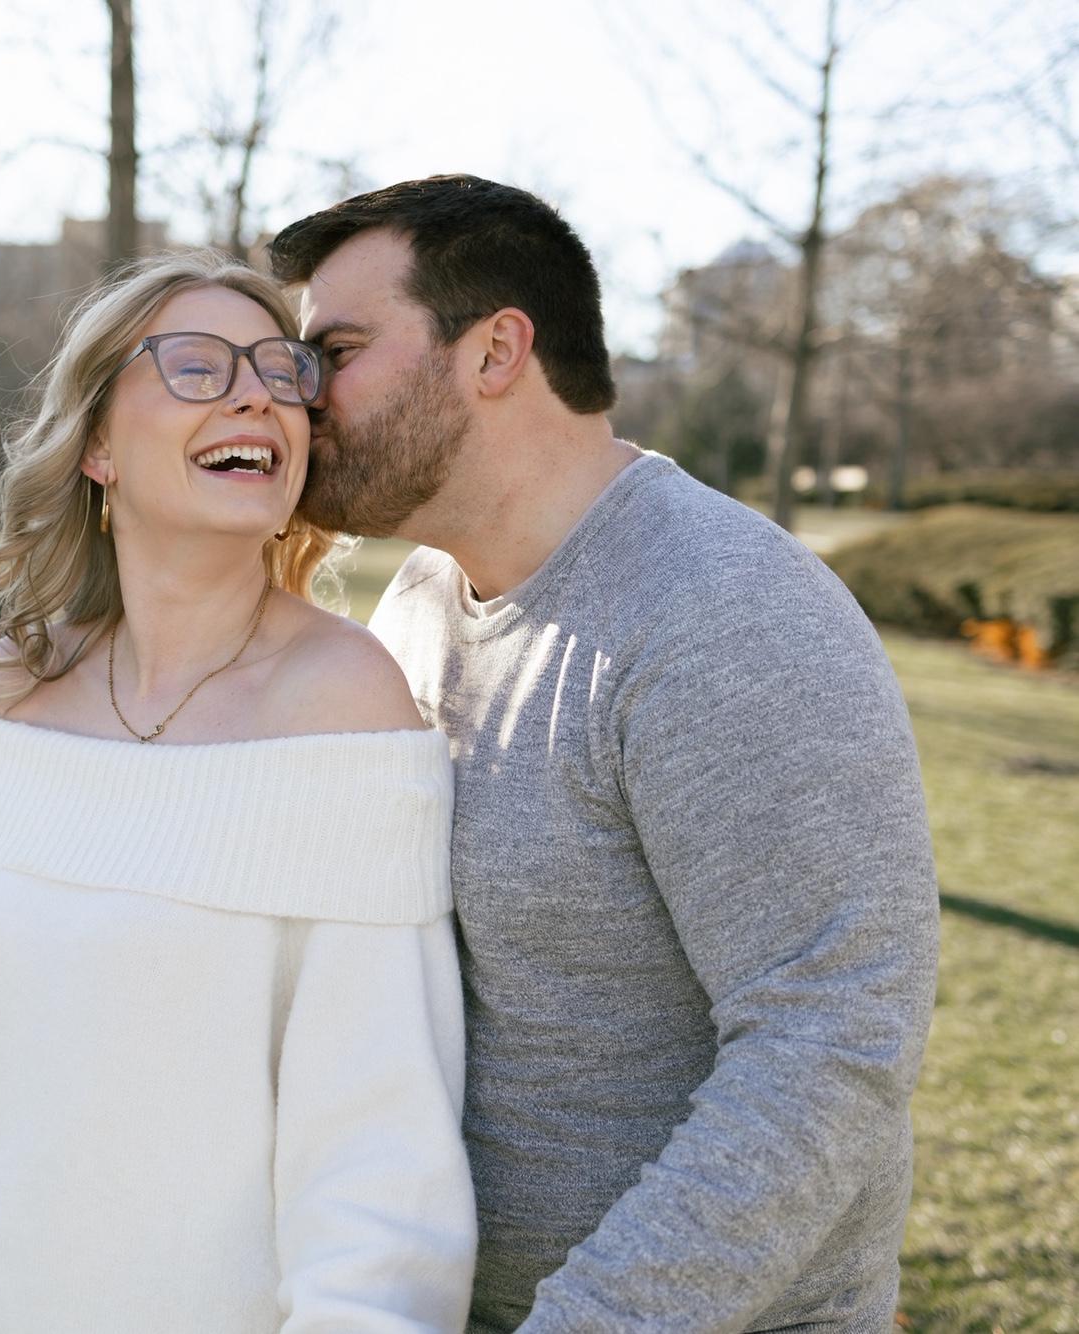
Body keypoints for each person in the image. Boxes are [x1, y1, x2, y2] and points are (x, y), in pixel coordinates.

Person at [270, 176, 940, 1333]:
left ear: (494, 351)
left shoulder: (721, 612)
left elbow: (832, 1039)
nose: (301, 393)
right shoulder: (419, 602)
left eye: (336, 351)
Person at [0, 250, 477, 1333]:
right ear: (97, 445)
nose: (256, 394)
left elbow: (380, 1166)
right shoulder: (6, 694)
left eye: (279, 370)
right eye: (197, 366)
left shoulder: (344, 701)